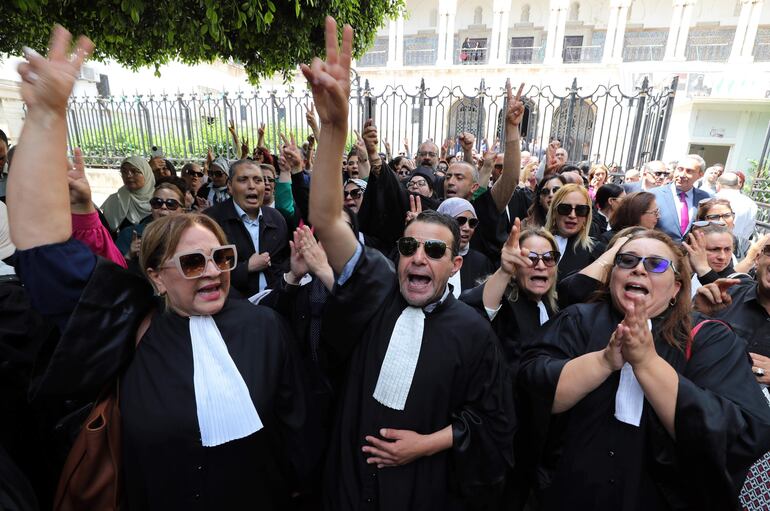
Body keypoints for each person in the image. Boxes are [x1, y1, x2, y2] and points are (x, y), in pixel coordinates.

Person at [8, 26, 318, 509]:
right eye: (193, 262)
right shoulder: (125, 327)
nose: (213, 271)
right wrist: (48, 115)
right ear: (154, 275)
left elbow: (298, 437)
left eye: (222, 257)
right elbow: (41, 247)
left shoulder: (267, 329)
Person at [301, 18, 515, 509]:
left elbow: (494, 421)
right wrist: (335, 129)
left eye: (435, 251)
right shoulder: (375, 286)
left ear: (456, 264)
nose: (419, 257)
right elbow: (326, 217)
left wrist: (428, 443)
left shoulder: (472, 331)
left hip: (425, 488)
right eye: (409, 247)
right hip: (350, 481)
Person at [519, 228, 770, 510]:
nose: (638, 269)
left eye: (656, 264)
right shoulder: (578, 320)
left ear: (676, 287)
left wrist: (647, 363)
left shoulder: (710, 337)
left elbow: (742, 431)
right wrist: (604, 361)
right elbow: (531, 390)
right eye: (627, 260)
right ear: (612, 275)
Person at [205, 159, 289, 296]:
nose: (252, 186)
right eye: (243, 180)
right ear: (230, 186)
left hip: (275, 304)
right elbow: (206, 271)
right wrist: (246, 268)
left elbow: (282, 263)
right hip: (232, 307)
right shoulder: (211, 222)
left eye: (258, 180)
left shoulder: (276, 219)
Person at [437, 198, 494, 296]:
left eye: (472, 223)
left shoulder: (481, 262)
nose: (467, 228)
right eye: (460, 221)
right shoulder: (428, 255)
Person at [116, 182, 187, 260]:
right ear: (151, 207)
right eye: (157, 202)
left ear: (182, 211)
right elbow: (113, 270)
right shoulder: (129, 234)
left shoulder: (190, 236)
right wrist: (129, 255)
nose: (163, 207)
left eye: (171, 204)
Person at [649, 155, 710, 242]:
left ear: (700, 175)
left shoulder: (705, 198)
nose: (682, 175)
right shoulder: (654, 194)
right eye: (680, 169)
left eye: (689, 171)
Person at [545, 183, 596, 281]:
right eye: (565, 208)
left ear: (586, 216)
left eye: (581, 210)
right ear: (554, 212)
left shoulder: (595, 252)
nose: (572, 215)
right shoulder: (534, 243)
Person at [101, 156, 155, 235]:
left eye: (134, 171)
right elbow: (106, 233)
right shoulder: (115, 200)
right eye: (124, 172)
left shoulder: (160, 199)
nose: (128, 175)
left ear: (146, 173)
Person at [716, 172, 757, 256]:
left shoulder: (714, 199)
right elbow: (749, 229)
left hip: (712, 248)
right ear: (737, 184)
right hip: (737, 249)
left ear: (718, 184)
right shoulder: (751, 204)